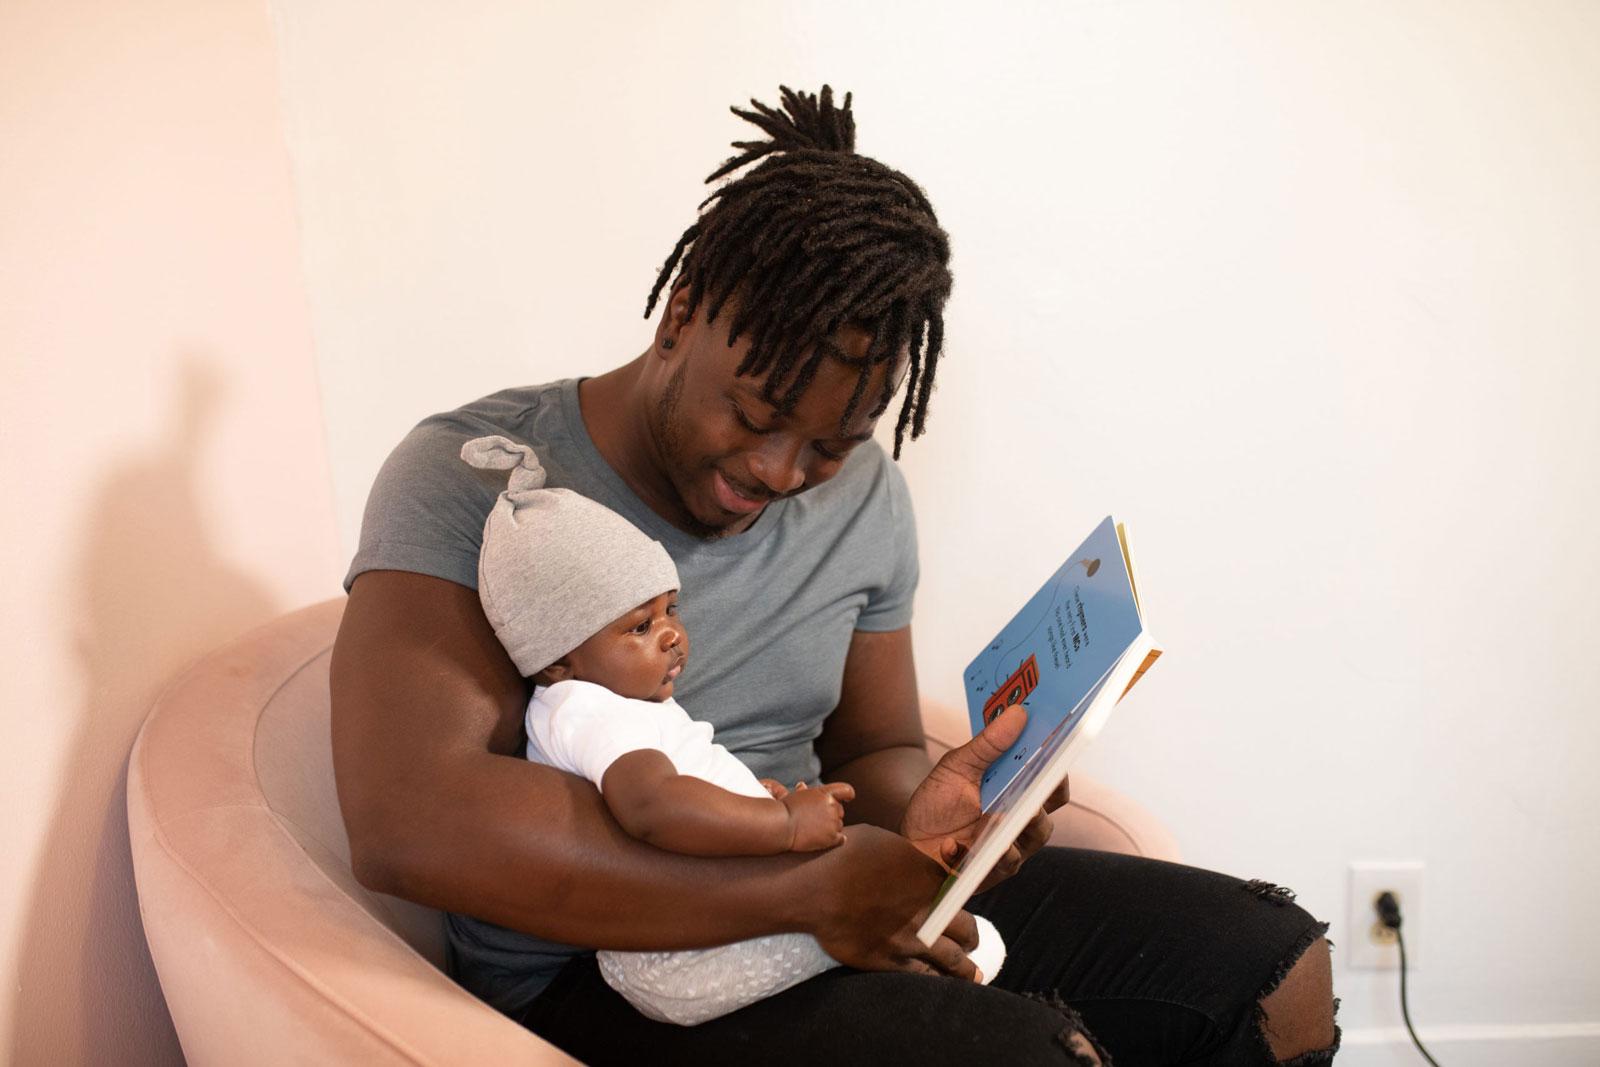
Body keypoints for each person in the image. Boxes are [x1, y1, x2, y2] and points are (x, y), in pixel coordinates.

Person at [331, 85, 1339, 1065]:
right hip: (605, 969)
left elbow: (877, 746)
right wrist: (799, 892)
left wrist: (941, 815)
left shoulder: (865, 497)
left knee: (1268, 960)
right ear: (681, 314)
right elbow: (409, 822)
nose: (777, 474)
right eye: (757, 415)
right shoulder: (478, 477)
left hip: (823, 892)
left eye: (830, 443)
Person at [456, 432, 1006, 1025]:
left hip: (699, 931)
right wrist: (783, 824)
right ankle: (943, 930)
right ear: (557, 659)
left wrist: (748, 800)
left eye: (671, 609)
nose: (671, 634)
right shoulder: (586, 709)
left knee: (900, 914)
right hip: (675, 955)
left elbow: (681, 793)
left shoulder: (622, 702)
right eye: (639, 627)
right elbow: (653, 806)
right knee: (924, 932)